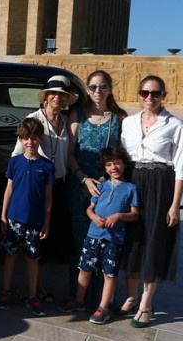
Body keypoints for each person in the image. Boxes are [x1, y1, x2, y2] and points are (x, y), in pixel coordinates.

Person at [118, 74, 183, 328]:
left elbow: (180, 168)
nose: (150, 98)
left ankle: (146, 303)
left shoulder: (176, 125)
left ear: (163, 96)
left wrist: (175, 205)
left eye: (155, 93)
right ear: (139, 94)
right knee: (133, 239)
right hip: (134, 180)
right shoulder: (129, 123)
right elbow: (122, 157)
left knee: (154, 240)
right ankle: (132, 295)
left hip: (161, 183)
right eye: (145, 93)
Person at [12, 75, 77, 300]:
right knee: (32, 240)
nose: (57, 97)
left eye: (62, 94)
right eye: (53, 93)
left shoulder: (67, 121)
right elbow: (17, 156)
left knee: (47, 238)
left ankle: (38, 285)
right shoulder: (33, 119)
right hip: (36, 187)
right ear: (46, 97)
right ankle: (30, 287)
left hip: (58, 184)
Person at [66, 70, 127, 308]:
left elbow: (124, 157)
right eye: (92, 87)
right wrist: (84, 179)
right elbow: (70, 154)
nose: (97, 92)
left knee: (105, 241)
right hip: (79, 186)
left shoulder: (119, 118)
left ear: (110, 89)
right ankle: (78, 296)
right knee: (81, 241)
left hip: (107, 190)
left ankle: (102, 300)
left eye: (102, 87)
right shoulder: (77, 115)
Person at [58, 144, 139, 324]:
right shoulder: (100, 186)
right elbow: (90, 208)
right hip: (93, 235)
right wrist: (93, 216)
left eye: (117, 163)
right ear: (104, 167)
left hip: (114, 239)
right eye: (109, 164)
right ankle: (79, 301)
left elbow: (135, 214)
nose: (114, 168)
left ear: (124, 164)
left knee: (109, 274)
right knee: (85, 269)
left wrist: (119, 216)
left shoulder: (130, 189)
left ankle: (103, 308)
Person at [0, 117, 54, 316]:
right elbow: (9, 189)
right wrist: (3, 215)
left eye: (34, 138)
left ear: (40, 139)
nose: (30, 142)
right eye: (26, 138)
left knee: (32, 258)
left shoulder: (47, 166)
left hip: (35, 221)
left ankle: (32, 295)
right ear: (21, 140)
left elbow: (48, 197)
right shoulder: (14, 162)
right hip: (14, 218)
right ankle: (5, 291)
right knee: (11, 255)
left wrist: (46, 223)